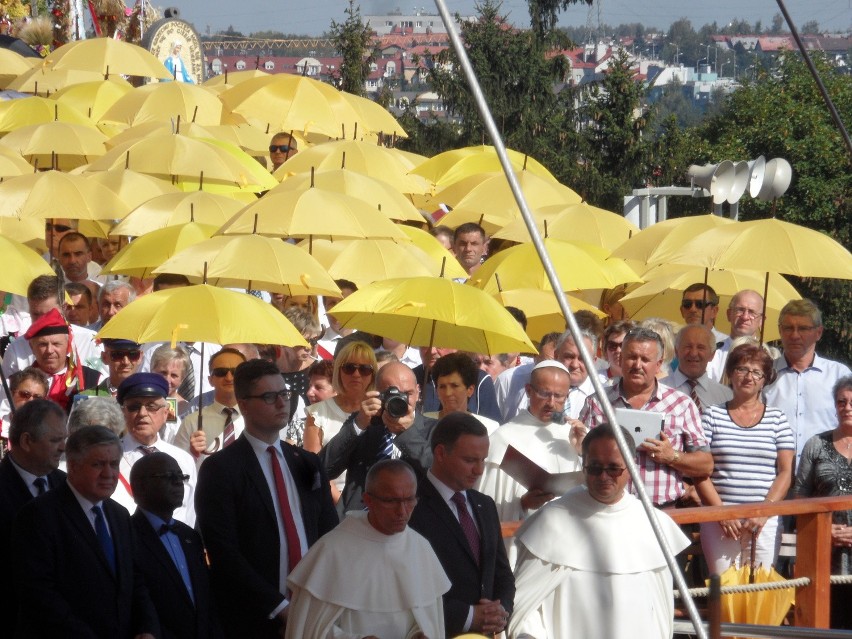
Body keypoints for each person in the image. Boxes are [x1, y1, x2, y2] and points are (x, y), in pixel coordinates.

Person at [195, 359, 338, 639]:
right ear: (244, 404)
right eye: (269, 397)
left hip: (313, 613)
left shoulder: (305, 462)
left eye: (284, 395)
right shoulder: (221, 469)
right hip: (253, 618)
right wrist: (280, 607)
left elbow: (328, 536)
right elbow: (224, 551)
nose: (282, 403)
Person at [509, 424, 690, 639]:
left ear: (631, 467)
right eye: (595, 468)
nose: (604, 477)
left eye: (613, 468)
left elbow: (660, 612)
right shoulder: (553, 521)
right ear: (583, 466)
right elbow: (524, 609)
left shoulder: (652, 524)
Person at [11, 426, 160, 638]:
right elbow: (39, 594)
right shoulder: (39, 516)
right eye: (98, 464)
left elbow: (135, 580)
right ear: (73, 466)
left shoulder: (120, 516)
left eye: (114, 464)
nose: (108, 474)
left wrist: (147, 628)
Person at [285, 459, 449, 639]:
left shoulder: (420, 549)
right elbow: (309, 628)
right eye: (391, 501)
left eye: (409, 500)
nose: (402, 511)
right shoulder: (333, 550)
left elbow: (429, 621)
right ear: (368, 500)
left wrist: (418, 634)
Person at [580, 327, 713, 508]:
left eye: (645, 359)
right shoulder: (597, 403)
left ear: (658, 365)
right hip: (607, 510)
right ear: (622, 359)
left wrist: (671, 456)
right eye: (632, 357)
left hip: (664, 512)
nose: (637, 365)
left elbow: (705, 464)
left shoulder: (681, 405)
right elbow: (581, 457)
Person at [409, 412, 515, 637]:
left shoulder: (484, 505)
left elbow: (502, 574)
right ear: (440, 453)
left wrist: (500, 612)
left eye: (483, 460)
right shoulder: (410, 508)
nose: (479, 470)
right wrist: (468, 616)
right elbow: (408, 588)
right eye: (470, 460)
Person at [694, 344, 795, 574]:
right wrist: (722, 513)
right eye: (741, 369)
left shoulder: (777, 418)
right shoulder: (712, 415)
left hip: (764, 522)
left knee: (760, 591)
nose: (749, 377)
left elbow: (786, 472)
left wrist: (763, 512)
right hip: (719, 521)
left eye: (756, 372)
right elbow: (700, 470)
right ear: (730, 374)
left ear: (764, 379)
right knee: (724, 592)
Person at [478, 361, 585, 537]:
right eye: (544, 393)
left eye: (559, 396)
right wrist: (522, 504)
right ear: (528, 391)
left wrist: (583, 452)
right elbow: (487, 506)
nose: (551, 403)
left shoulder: (573, 436)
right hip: (518, 540)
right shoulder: (503, 438)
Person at [320, 361, 435, 515]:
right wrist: (358, 424)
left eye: (407, 394)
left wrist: (406, 433)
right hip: (357, 520)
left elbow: (439, 475)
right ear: (376, 393)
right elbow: (324, 469)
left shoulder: (434, 429)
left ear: (418, 392)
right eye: (392, 393)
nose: (401, 400)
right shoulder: (364, 423)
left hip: (411, 522)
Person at [130, 452, 223, 639]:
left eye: (181, 476)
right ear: (141, 486)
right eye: (168, 476)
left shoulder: (190, 536)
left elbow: (207, 599)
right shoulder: (127, 536)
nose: (178, 482)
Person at [0, 399, 67, 636]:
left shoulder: (66, 485)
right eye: (55, 440)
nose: (63, 448)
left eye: (64, 439)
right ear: (27, 441)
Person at [794, 375, 852, 630]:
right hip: (824, 552)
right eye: (841, 401)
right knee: (828, 623)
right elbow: (799, 498)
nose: (847, 407)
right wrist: (823, 530)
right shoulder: (816, 445)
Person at [764, 299, 852, 459]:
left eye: (803, 328)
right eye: (789, 328)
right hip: (775, 475)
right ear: (780, 330)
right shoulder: (764, 374)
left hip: (824, 475)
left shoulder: (839, 375)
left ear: (818, 333)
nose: (795, 335)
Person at [113, 372, 198, 526]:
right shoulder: (111, 458)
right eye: (134, 407)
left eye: (151, 406)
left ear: (166, 413)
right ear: (124, 413)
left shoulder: (183, 459)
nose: (142, 414)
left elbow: (190, 513)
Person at [2, 274, 103, 377]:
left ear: (64, 307)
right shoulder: (17, 349)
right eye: (36, 314)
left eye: (48, 314)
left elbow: (104, 388)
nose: (42, 322)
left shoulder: (89, 341)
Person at [495, 328, 599, 424]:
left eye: (582, 359)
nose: (575, 365)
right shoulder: (510, 379)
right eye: (569, 356)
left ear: (594, 361)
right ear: (556, 355)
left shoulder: (601, 397)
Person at [175, 348, 247, 465]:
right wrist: (191, 454)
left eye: (236, 372)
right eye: (221, 372)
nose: (229, 377)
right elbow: (177, 467)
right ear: (210, 380)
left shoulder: (258, 420)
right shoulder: (192, 422)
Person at [22, 307, 100, 412]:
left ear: (68, 346)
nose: (49, 350)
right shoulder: (19, 382)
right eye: (43, 344)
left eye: (56, 344)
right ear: (32, 347)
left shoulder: (94, 379)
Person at [414, 346, 502, 422]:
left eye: (440, 345)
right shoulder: (410, 378)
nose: (432, 351)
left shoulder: (480, 379)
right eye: (425, 345)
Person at [662, 325, 733, 411]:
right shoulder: (658, 391)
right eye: (688, 346)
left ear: (712, 354)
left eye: (701, 347)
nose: (693, 353)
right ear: (676, 351)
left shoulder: (726, 396)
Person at [428, 351, 500, 434]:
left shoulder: (489, 428)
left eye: (454, 386)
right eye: (442, 387)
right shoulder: (422, 423)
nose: (448, 393)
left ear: (470, 390)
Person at [706, 289, 765, 381]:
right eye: (740, 310)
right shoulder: (713, 354)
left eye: (751, 312)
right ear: (729, 314)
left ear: (761, 320)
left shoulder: (767, 356)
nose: (745, 317)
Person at [150, 344, 192, 442]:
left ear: (182, 379)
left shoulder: (187, 409)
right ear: (152, 371)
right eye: (163, 372)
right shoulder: (140, 402)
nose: (167, 379)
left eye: (174, 375)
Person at [0, 366, 49, 438]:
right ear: (12, 394)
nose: (31, 401)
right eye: (25, 394)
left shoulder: (49, 433)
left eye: (37, 397)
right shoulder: (2, 426)